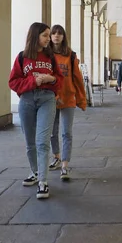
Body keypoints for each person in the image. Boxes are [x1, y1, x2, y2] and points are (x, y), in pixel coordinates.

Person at [9, 23, 64, 199]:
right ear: (35, 36)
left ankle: (43, 181)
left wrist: (51, 78)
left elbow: (60, 81)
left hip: (47, 99)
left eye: (49, 36)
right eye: (45, 35)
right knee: (30, 142)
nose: (48, 39)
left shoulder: (50, 57)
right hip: (27, 100)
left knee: (42, 141)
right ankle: (35, 172)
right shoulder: (22, 57)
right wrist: (34, 82)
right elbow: (13, 82)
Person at [48, 24, 87, 182]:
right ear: (50, 36)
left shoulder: (70, 55)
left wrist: (82, 99)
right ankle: (56, 156)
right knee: (52, 131)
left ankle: (65, 165)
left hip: (68, 97)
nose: (56, 36)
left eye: (59, 33)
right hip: (51, 98)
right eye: (53, 33)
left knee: (66, 132)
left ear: (63, 37)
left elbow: (77, 78)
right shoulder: (46, 55)